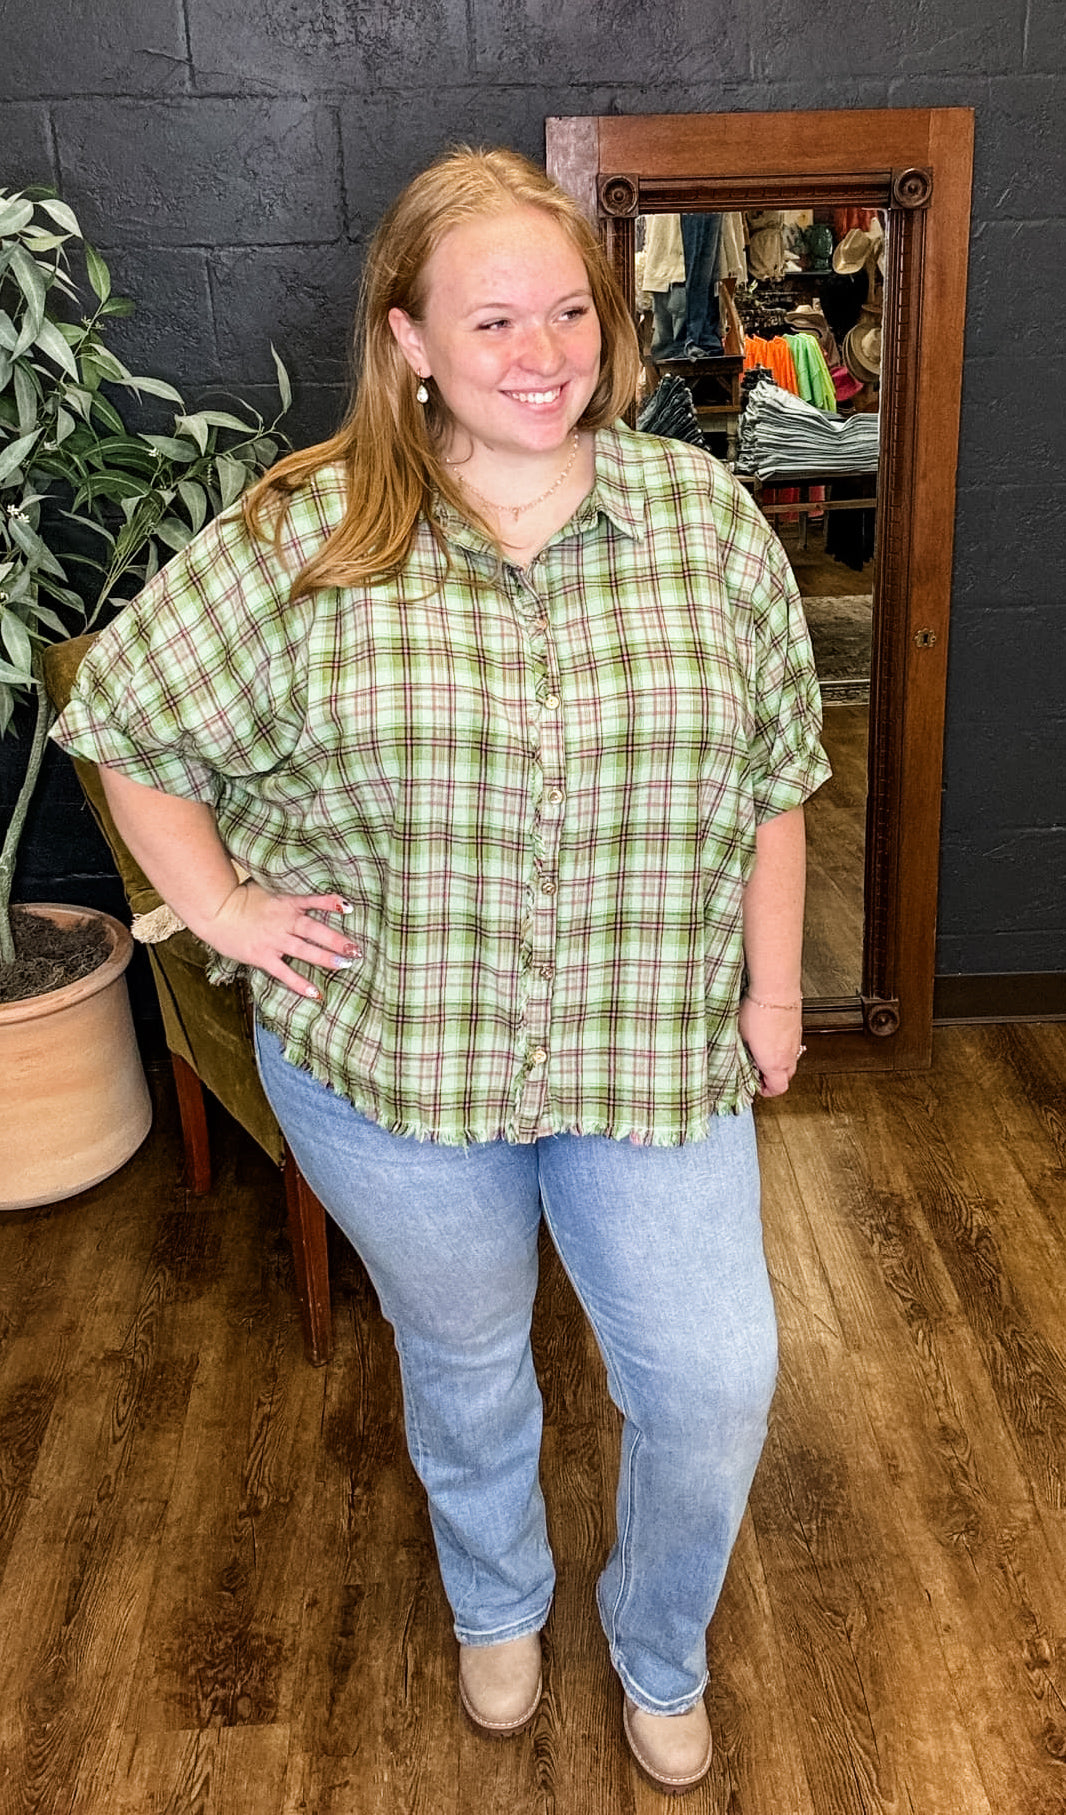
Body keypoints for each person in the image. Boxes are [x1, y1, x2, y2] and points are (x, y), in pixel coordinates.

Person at [53, 146, 829, 1796]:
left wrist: (772, 997)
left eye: (568, 310)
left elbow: (778, 778)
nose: (542, 352)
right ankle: (497, 1603)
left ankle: (655, 1639)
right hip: (395, 1074)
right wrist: (226, 911)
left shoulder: (702, 522)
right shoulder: (304, 531)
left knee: (710, 1379)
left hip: (648, 1060)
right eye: (491, 319)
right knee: (464, 1366)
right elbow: (125, 727)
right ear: (407, 337)